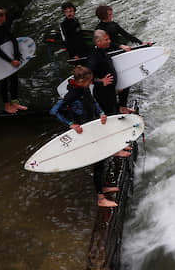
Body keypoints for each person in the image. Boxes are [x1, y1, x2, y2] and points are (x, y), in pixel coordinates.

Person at [50, 65, 123, 207]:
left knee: (104, 157)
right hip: (84, 131)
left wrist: (101, 113)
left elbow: (93, 102)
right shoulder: (71, 94)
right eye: (89, 80)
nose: (91, 83)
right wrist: (70, 123)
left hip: (94, 125)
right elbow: (54, 111)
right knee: (98, 162)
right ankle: (100, 199)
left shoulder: (83, 88)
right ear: (82, 80)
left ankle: (102, 188)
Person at [95, 5, 151, 112]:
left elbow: (126, 35)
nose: (112, 15)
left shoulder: (113, 24)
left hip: (119, 54)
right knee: (115, 83)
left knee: (126, 81)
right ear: (104, 15)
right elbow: (106, 42)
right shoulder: (99, 29)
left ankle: (122, 106)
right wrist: (120, 46)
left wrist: (141, 43)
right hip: (107, 57)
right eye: (110, 14)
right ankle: (115, 107)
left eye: (111, 13)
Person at [0, 8, 28, 114]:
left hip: (11, 57)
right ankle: (6, 105)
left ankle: (15, 102)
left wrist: (17, 56)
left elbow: (13, 39)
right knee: (4, 82)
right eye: (3, 16)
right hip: (0, 59)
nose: (5, 17)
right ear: (0, 18)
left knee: (14, 79)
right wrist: (10, 61)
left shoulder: (4, 26)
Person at [87, 30, 120, 116]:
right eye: (106, 39)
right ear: (98, 42)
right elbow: (87, 76)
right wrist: (101, 81)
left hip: (110, 91)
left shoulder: (102, 50)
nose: (109, 41)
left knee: (115, 113)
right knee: (111, 116)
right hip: (103, 95)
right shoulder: (93, 56)